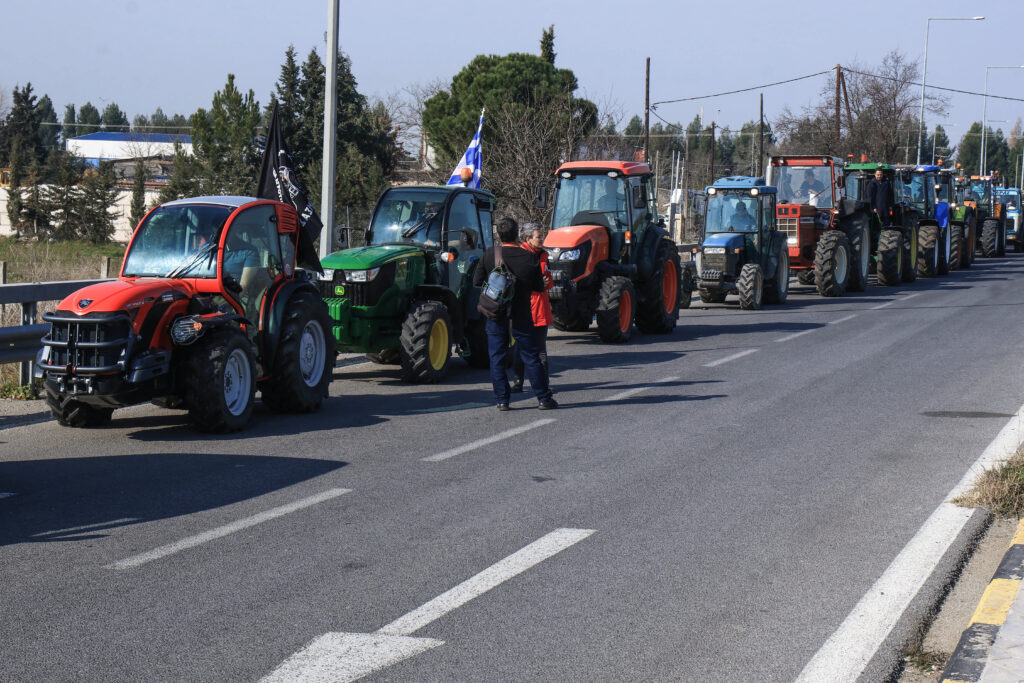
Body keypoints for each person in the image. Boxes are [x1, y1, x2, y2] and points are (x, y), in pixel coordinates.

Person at [474, 216, 556, 411]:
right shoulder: (528, 258)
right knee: (531, 355)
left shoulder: (489, 254)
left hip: (495, 311)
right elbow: (538, 286)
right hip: (521, 311)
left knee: (496, 357)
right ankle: (544, 398)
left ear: (498, 235)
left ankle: (502, 400)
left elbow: (477, 281)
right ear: (517, 234)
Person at [511, 223, 553, 392]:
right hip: (524, 306)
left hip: (541, 308)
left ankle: (544, 385)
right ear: (528, 239)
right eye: (538, 236)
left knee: (541, 349)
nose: (541, 239)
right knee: (520, 348)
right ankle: (518, 382)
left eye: (541, 236)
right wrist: (535, 284)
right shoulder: (520, 256)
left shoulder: (544, 256)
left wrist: (545, 283)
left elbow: (548, 281)